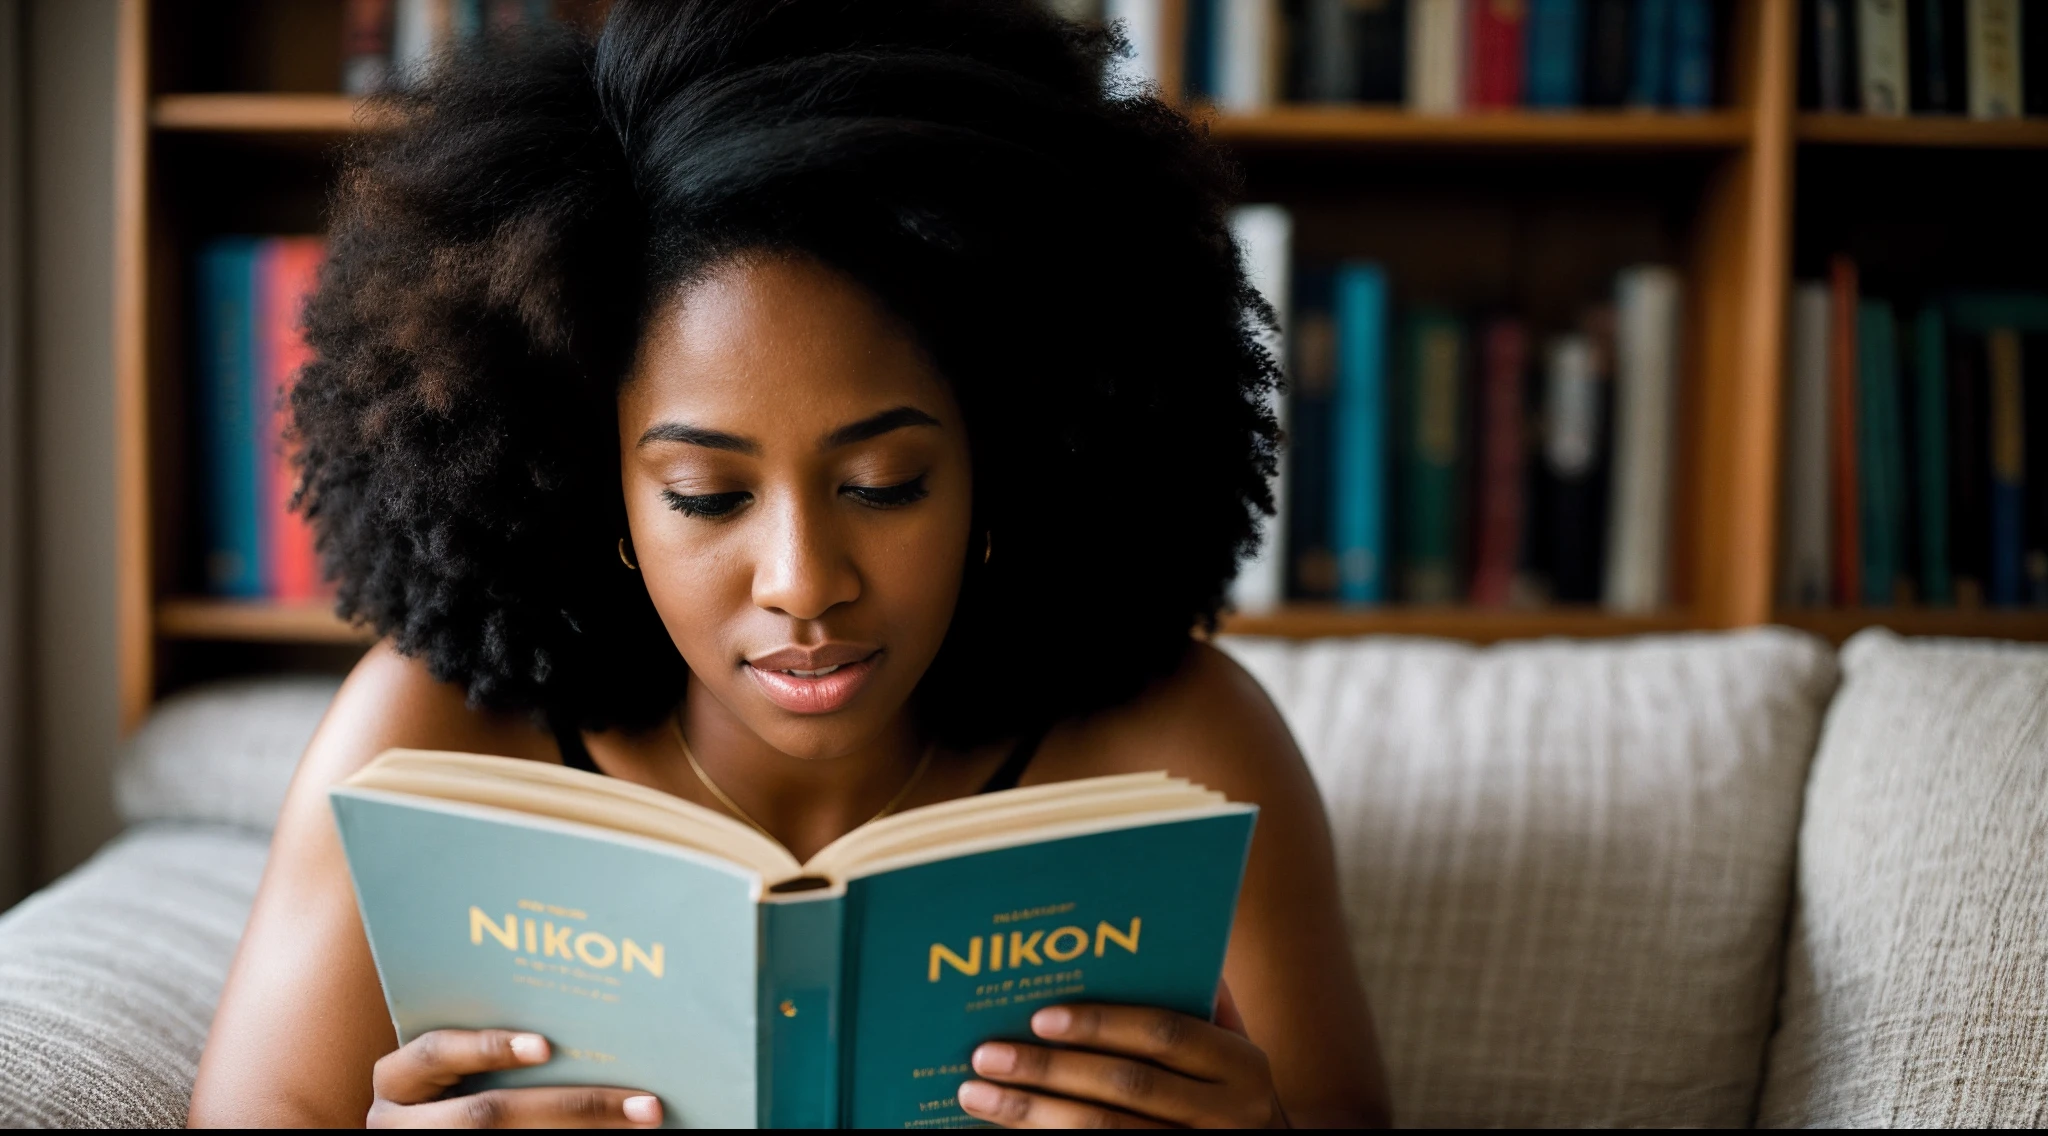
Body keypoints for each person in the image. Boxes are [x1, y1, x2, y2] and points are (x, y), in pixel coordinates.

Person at [187, 0, 1388, 1127]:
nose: (802, 581)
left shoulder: (1185, 756)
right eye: (705, 495)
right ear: (589, 486)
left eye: (883, 485)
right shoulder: (426, 749)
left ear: (1005, 468)